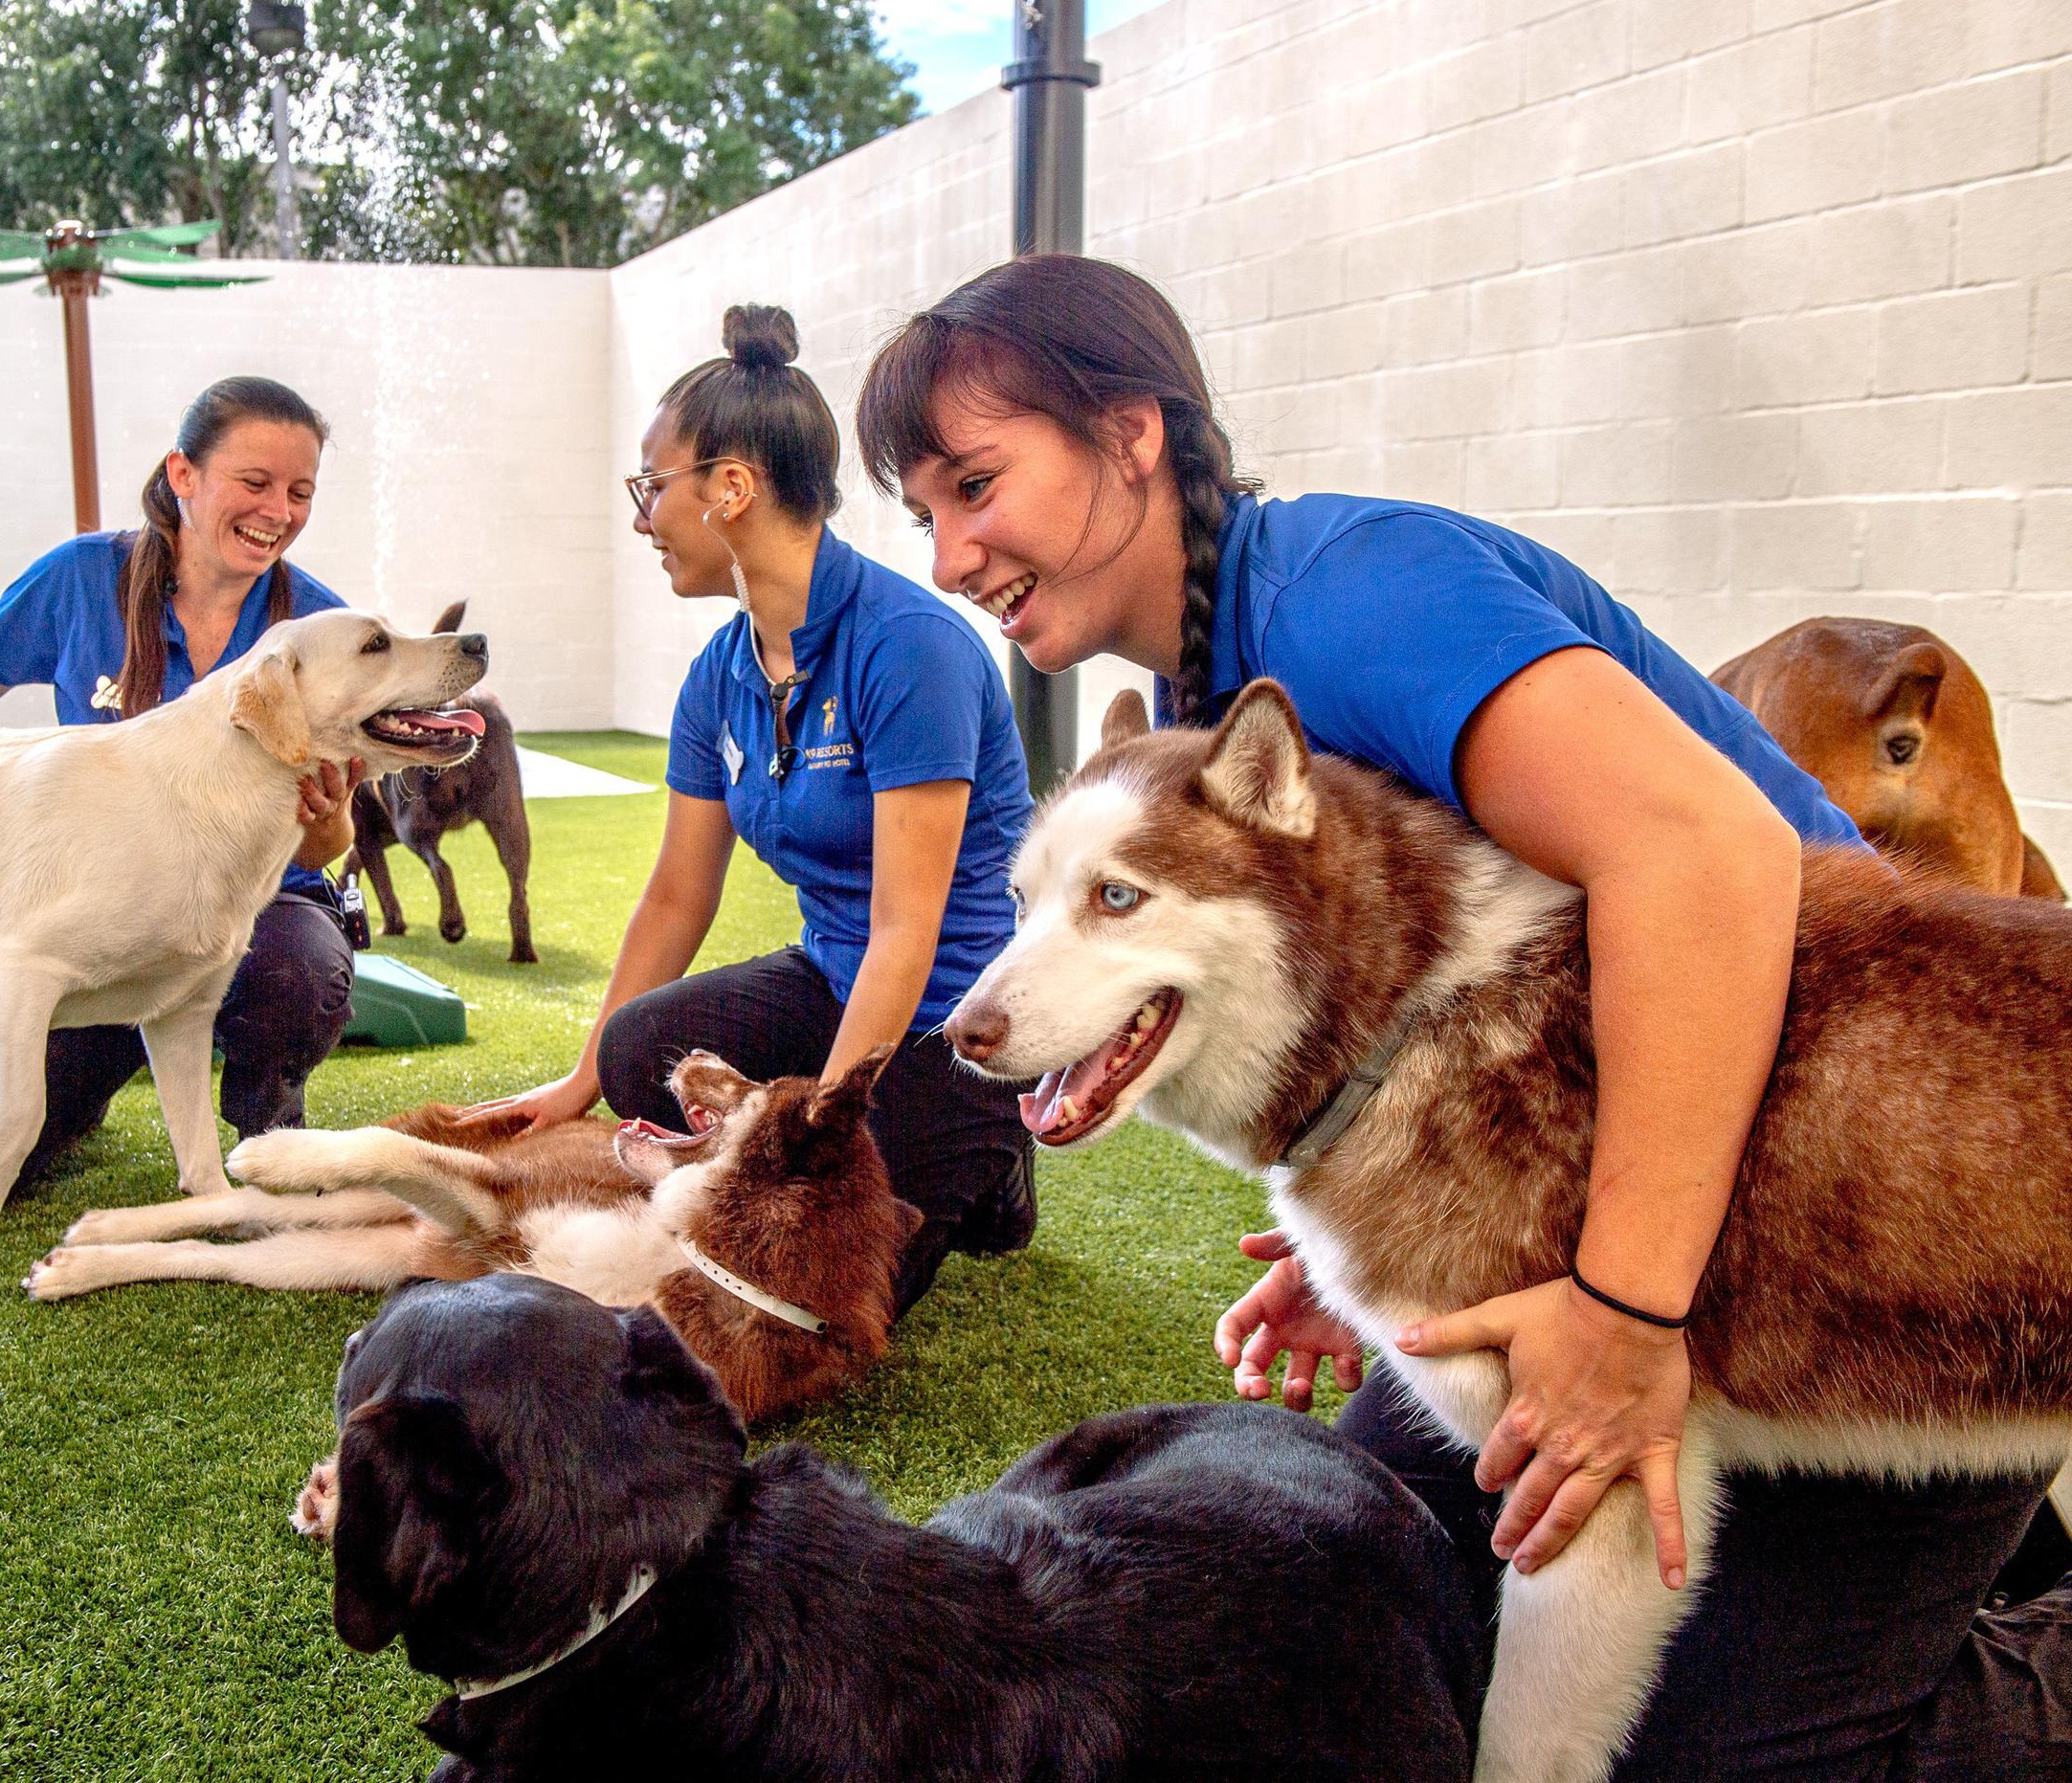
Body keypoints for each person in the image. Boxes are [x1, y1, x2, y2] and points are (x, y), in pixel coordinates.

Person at [856, 253, 2071, 1774]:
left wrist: (1623, 1312)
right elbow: (1432, 984)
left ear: (1132, 432)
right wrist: (1380, 1208)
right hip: (1643, 1153)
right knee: (1376, 1579)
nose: (955, 551)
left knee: (1698, 1750)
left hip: (1891, 1183)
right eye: (923, 515)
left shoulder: (1351, 596)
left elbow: (1709, 861)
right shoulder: (1199, 686)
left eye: (977, 483)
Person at [478, 305, 1036, 1315]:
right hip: (835, 976)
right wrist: (579, 1081)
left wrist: (819, 1127)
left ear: (731, 487)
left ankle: (987, 1164)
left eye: (653, 488)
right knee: (637, 1050)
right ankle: (883, 1147)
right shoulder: (719, 674)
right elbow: (675, 898)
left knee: (811, 1287)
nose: (642, 518)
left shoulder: (908, 649)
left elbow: (910, 932)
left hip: (955, 1016)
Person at [0, 374, 364, 1219]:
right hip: (97, 935)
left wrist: (332, 817)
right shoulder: (84, 577)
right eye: (255, 482)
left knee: (295, 965)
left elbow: (321, 851)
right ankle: (75, 1098)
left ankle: (266, 1137)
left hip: (255, 924)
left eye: (300, 491)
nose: (278, 509)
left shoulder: (315, 628)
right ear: (184, 474)